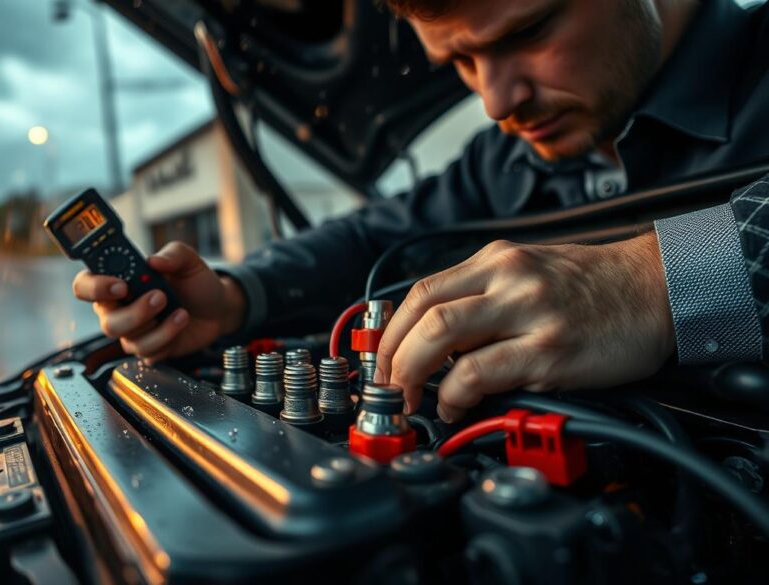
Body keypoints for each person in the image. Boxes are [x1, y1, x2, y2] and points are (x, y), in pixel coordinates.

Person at [74, 0, 769, 423]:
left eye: (526, 31)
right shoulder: (505, 163)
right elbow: (375, 234)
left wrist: (650, 281)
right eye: (461, 60)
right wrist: (235, 296)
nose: (495, 102)